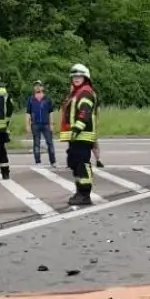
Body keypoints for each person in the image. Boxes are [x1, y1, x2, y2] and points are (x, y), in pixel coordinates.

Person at [64, 63, 98, 205]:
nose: (76, 78)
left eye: (79, 76)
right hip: (76, 136)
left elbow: (84, 112)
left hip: (83, 134)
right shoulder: (76, 92)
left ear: (85, 77)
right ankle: (79, 191)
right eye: (74, 76)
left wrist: (77, 129)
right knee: (74, 162)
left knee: (82, 164)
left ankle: (85, 194)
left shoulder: (85, 92)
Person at [27, 81, 56, 166]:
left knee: (50, 142)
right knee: (36, 143)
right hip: (35, 124)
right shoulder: (31, 99)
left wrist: (51, 124)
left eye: (39, 86)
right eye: (36, 86)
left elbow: (51, 112)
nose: (37, 87)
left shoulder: (47, 99)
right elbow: (28, 113)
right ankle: (38, 161)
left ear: (42, 88)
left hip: (46, 124)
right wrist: (27, 125)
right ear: (34, 88)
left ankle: (53, 161)